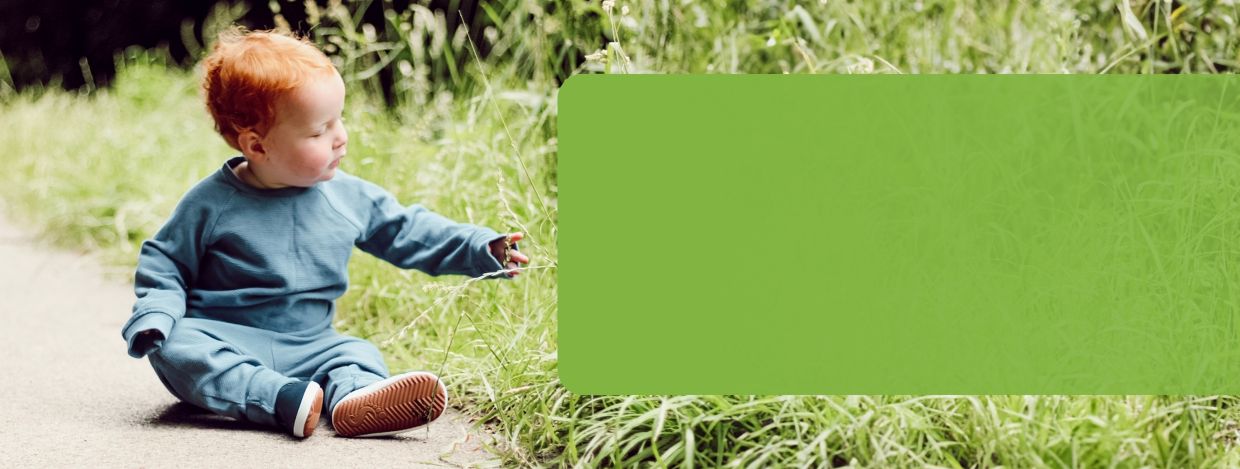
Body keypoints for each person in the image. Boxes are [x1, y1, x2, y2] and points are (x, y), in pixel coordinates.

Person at [119, 27, 529, 438]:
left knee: (355, 352)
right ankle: (279, 398)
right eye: (319, 131)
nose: (341, 137)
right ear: (257, 147)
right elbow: (166, 260)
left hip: (313, 345)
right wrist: (158, 314)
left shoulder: (345, 196)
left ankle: (356, 398)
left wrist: (479, 247)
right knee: (177, 346)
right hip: (229, 339)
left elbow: (409, 230)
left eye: (339, 120)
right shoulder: (211, 203)